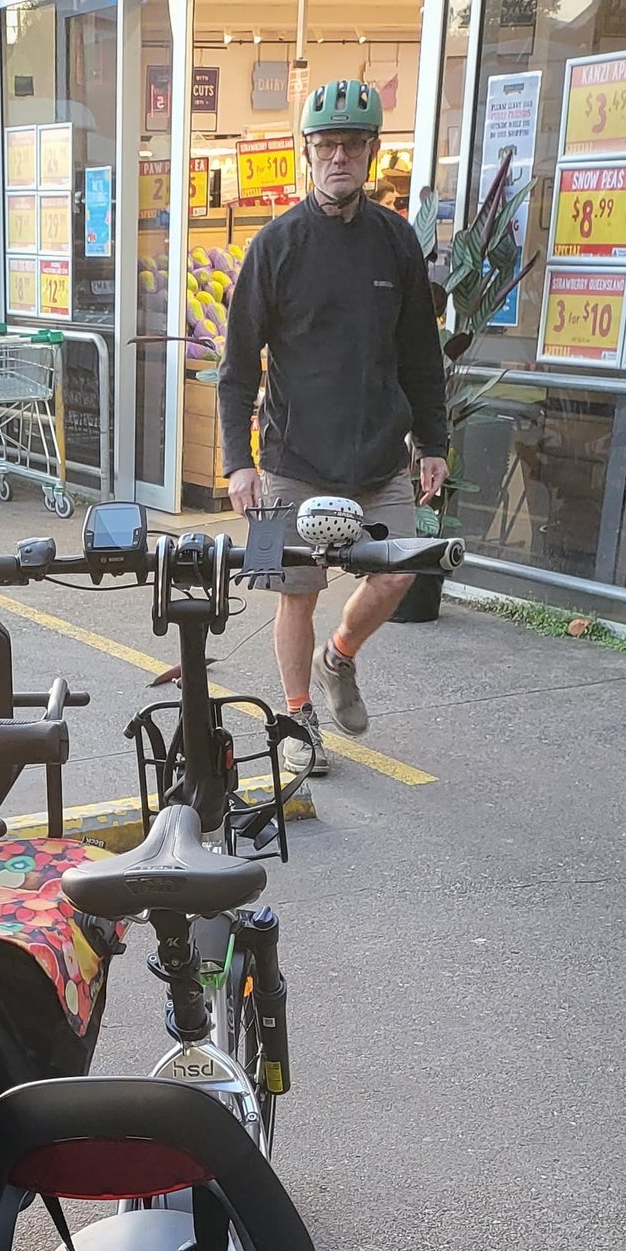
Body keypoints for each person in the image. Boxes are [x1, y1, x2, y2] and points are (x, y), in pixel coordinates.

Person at [218, 79, 448, 776]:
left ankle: (338, 658)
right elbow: (236, 366)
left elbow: (418, 352)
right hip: (289, 456)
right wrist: (237, 462)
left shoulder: (395, 242)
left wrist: (433, 444)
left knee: (400, 570)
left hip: (379, 455)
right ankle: (295, 718)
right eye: (325, 145)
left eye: (351, 144)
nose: (337, 156)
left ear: (372, 153)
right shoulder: (274, 245)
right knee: (290, 588)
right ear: (307, 154)